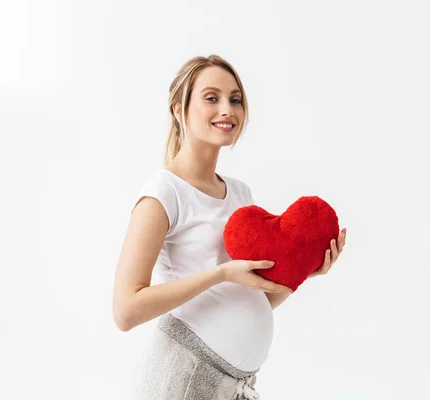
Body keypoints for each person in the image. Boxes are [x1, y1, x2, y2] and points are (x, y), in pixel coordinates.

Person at [112, 54, 347, 399]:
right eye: (212, 98)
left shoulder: (240, 193)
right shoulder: (164, 194)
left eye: (235, 99)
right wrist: (220, 274)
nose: (228, 109)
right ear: (179, 110)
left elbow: (249, 298)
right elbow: (125, 311)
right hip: (182, 381)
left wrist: (298, 273)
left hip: (234, 388)